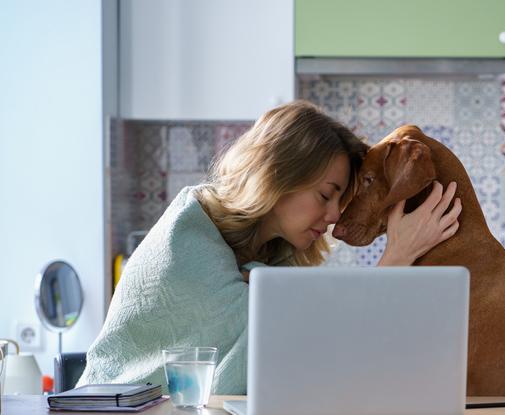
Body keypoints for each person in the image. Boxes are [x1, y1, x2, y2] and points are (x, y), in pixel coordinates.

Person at [77, 101, 462, 394]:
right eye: (326, 195)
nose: (331, 217)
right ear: (278, 175)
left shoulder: (273, 259)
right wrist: (396, 259)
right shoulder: (186, 236)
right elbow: (296, 346)